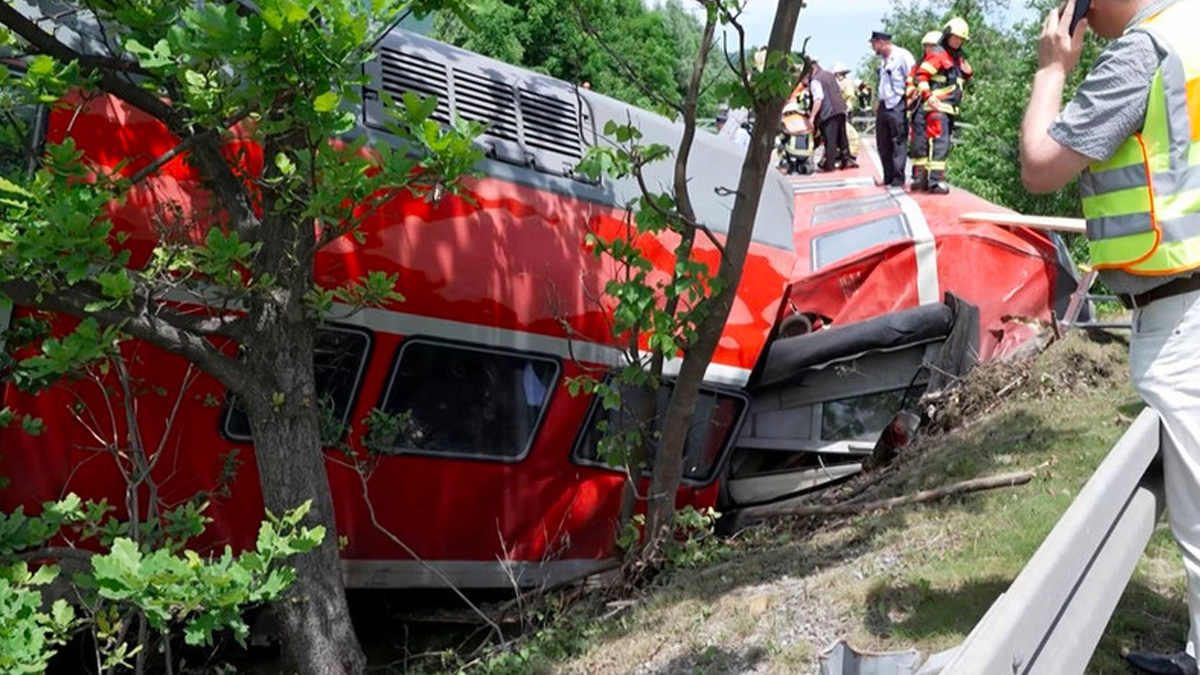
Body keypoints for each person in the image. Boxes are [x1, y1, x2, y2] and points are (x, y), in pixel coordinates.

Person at [1021, 0, 1200, 671]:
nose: (1081, 18)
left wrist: (1051, 71)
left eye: (1083, 5)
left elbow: (1042, 165)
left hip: (1183, 308)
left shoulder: (1144, 53)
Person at [913, 18, 973, 193]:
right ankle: (934, 182)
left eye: (961, 39)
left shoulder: (957, 57)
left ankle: (927, 180)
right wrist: (928, 96)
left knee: (942, 144)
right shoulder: (938, 54)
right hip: (937, 107)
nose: (958, 42)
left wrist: (968, 72)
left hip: (949, 108)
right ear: (947, 36)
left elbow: (959, 78)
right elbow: (921, 76)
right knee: (940, 144)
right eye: (955, 38)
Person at [870, 30, 915, 187]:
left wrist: (909, 100)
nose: (873, 48)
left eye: (874, 44)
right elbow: (883, 83)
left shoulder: (902, 56)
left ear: (881, 43)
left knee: (898, 141)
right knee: (883, 142)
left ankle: (898, 177)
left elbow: (912, 78)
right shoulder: (883, 61)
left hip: (898, 103)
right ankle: (887, 176)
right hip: (884, 104)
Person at [907, 31, 943, 190]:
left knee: (936, 142)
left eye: (932, 46)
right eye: (927, 46)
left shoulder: (942, 64)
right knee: (918, 142)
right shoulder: (918, 65)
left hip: (935, 107)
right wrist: (911, 93)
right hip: (919, 107)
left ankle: (933, 178)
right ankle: (918, 176)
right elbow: (910, 81)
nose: (929, 49)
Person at [808, 62, 856, 171]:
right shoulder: (829, 75)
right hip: (840, 108)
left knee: (830, 139)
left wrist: (812, 117)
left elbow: (818, 99)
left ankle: (830, 165)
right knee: (842, 136)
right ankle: (846, 159)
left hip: (828, 111)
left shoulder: (816, 80)